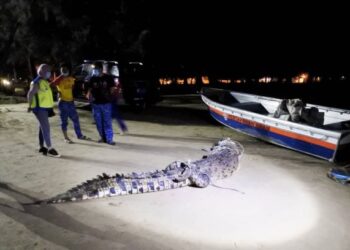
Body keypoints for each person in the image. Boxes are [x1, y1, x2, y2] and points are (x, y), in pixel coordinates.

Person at [27, 64, 60, 157]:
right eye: (47, 71)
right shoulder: (37, 82)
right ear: (41, 72)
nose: (49, 73)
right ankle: (50, 148)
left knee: (42, 127)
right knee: (46, 127)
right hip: (39, 108)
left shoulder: (44, 81)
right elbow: (30, 94)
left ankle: (42, 147)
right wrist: (29, 106)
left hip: (44, 108)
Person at [51, 64, 89, 143]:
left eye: (65, 69)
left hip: (71, 102)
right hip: (63, 102)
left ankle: (79, 135)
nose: (64, 71)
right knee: (64, 121)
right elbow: (52, 84)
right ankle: (66, 138)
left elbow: (74, 85)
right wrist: (61, 76)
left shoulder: (71, 79)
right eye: (62, 70)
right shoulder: (59, 80)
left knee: (76, 119)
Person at [86, 63, 116, 145]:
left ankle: (109, 139)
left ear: (101, 69)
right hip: (96, 104)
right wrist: (89, 95)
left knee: (107, 122)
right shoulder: (92, 78)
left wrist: (111, 94)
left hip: (106, 104)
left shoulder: (109, 78)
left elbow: (112, 89)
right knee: (98, 122)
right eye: (94, 69)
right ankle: (103, 137)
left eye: (96, 69)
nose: (95, 70)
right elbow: (90, 89)